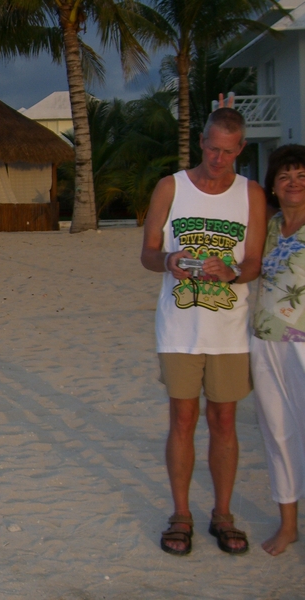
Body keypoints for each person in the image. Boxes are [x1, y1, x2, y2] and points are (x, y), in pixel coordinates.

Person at [141, 107, 267, 556]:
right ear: (201, 141)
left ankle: (223, 514)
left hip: (229, 331)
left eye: (228, 152)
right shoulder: (170, 188)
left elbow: (254, 262)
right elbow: (148, 254)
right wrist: (169, 261)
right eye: (212, 149)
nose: (218, 159)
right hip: (179, 328)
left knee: (224, 421)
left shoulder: (251, 193)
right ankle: (181, 514)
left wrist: (231, 272)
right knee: (182, 418)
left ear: (241, 149)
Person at [251, 144, 305, 556]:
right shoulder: (268, 226)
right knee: (278, 433)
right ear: (272, 185)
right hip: (266, 341)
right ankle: (288, 525)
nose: (293, 183)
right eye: (285, 176)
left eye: (302, 176)